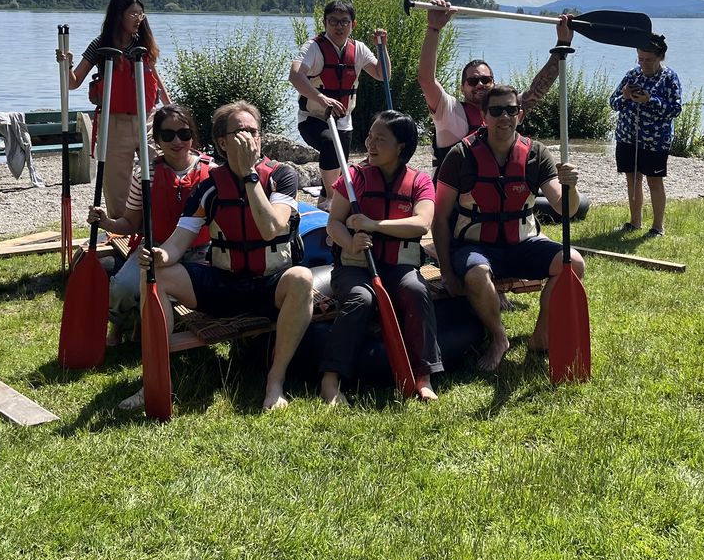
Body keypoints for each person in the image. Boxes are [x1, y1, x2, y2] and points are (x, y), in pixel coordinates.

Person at [138, 101, 313, 411]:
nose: (249, 138)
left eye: (253, 131)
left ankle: (276, 381)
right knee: (156, 274)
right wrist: (158, 256)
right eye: (240, 132)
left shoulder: (282, 176)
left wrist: (248, 175)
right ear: (221, 142)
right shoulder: (208, 188)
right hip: (225, 284)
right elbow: (178, 244)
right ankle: (156, 376)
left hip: (271, 285)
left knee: (301, 277)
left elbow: (272, 228)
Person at [432, 85, 585, 370]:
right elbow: (439, 218)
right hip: (474, 246)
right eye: (496, 110)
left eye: (511, 110)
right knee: (477, 277)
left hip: (523, 245)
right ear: (484, 115)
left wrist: (571, 187)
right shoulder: (460, 156)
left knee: (573, 263)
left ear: (520, 114)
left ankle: (542, 335)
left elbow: (567, 208)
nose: (505, 116)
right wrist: (447, 271)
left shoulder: (536, 154)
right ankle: (499, 338)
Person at [322, 110, 442, 405]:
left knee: (415, 288)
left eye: (380, 139)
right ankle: (330, 380)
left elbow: (421, 223)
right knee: (361, 299)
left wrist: (375, 226)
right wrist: (350, 243)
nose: (370, 144)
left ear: (401, 147)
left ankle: (423, 377)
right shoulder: (353, 178)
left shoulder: (420, 182)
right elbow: (334, 222)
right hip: (355, 268)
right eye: (369, 137)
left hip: (398, 266)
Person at [86, 104, 214, 345]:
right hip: (152, 249)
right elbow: (130, 223)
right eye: (168, 135)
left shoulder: (212, 172)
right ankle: (118, 323)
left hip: (199, 253)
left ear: (192, 136)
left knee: (190, 294)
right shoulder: (145, 174)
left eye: (184, 134)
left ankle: (142, 321)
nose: (177, 141)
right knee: (123, 288)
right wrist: (106, 221)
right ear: (156, 139)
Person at [55, 0, 174, 218]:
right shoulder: (100, 45)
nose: (139, 19)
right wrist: (66, 65)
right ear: (119, 15)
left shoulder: (144, 45)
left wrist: (171, 112)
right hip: (114, 126)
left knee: (162, 174)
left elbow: (156, 81)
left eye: (141, 13)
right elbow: (73, 83)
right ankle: (122, 236)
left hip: (147, 122)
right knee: (118, 193)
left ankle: (160, 228)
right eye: (133, 14)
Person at [417, 0, 575, 170]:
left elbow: (537, 89)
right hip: (455, 193)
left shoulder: (505, 109)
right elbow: (426, 80)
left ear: (493, 83)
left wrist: (563, 44)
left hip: (494, 189)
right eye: (472, 81)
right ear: (462, 89)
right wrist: (434, 28)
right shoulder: (449, 110)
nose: (480, 84)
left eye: (485, 80)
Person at [288, 0, 389, 210]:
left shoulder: (358, 49)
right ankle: (333, 202)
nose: (339, 26)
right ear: (325, 23)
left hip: (344, 121)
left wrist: (382, 48)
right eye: (333, 21)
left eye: (345, 21)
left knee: (336, 171)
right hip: (313, 118)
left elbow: (382, 74)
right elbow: (295, 75)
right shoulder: (313, 48)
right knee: (329, 146)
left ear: (353, 24)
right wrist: (321, 98)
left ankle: (323, 212)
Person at [609, 34, 680, 238]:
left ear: (660, 57)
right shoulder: (632, 74)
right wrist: (625, 97)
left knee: (654, 181)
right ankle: (634, 223)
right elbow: (613, 103)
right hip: (627, 136)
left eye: (648, 60)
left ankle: (658, 228)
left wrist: (651, 101)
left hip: (655, 140)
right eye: (640, 59)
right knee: (632, 180)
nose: (643, 64)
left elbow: (675, 109)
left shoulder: (669, 77)